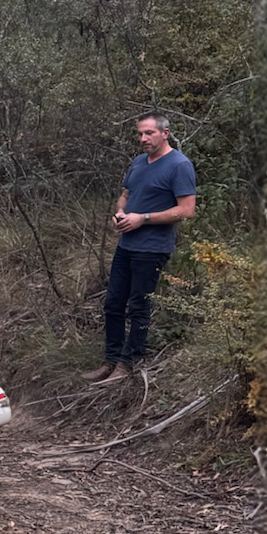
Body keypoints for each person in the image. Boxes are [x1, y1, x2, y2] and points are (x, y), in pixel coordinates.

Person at [84, 114, 196, 385]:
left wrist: (142, 218)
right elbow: (126, 194)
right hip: (127, 244)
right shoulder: (137, 162)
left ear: (165, 133)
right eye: (140, 134)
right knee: (112, 304)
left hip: (152, 248)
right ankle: (110, 361)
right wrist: (121, 212)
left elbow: (186, 210)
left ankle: (128, 362)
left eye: (149, 133)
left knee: (138, 306)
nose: (143, 139)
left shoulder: (179, 165)